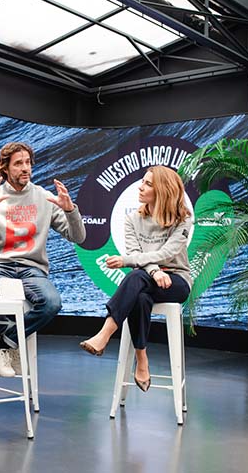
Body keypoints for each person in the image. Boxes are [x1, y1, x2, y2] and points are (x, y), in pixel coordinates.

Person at [0, 142, 86, 377]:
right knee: (4, 304)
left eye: (28, 163)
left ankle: (6, 343)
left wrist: (71, 211)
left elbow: (78, 237)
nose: (25, 168)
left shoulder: (44, 197)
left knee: (52, 302)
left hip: (32, 270)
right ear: (5, 168)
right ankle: (14, 344)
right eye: (18, 163)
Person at [79, 165, 192, 392]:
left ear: (163, 190)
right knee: (139, 295)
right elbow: (135, 254)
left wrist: (137, 264)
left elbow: (166, 254)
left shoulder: (182, 220)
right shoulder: (132, 218)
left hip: (176, 280)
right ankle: (141, 358)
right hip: (149, 277)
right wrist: (153, 271)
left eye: (148, 184)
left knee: (135, 274)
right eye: (143, 181)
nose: (141, 187)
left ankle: (105, 332)